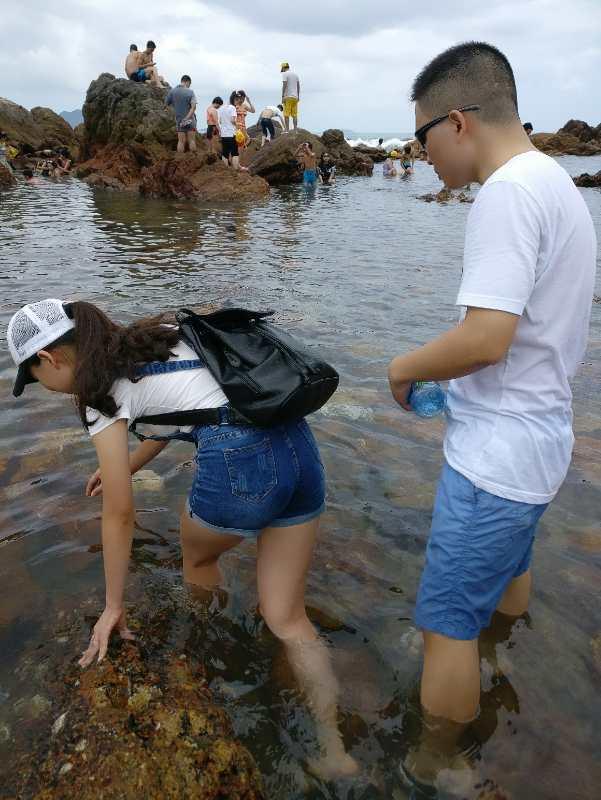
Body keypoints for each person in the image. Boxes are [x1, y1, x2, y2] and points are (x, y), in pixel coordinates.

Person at [6, 298, 358, 780]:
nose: (44, 389)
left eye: (35, 379)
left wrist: (112, 606)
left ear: (49, 359)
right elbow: (191, 408)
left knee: (197, 561)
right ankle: (334, 750)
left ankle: (205, 641)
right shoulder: (154, 336)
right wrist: (125, 465)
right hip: (297, 448)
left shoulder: (97, 394)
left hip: (243, 461)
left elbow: (120, 514)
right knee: (289, 618)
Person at [388, 41, 595, 784]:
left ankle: (436, 761)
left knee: (442, 623)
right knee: (511, 571)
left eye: (420, 139)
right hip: (541, 444)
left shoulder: (505, 194)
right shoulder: (557, 183)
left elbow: (486, 338)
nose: (421, 157)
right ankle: (497, 655)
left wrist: (402, 366)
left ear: (455, 121)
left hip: (495, 460)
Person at [166, 76, 197, 153]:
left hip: (179, 120)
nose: (189, 86)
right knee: (192, 140)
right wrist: (187, 118)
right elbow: (193, 108)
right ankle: (195, 160)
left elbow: (166, 105)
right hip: (190, 120)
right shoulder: (190, 92)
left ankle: (180, 160)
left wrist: (175, 111)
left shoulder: (172, 92)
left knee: (181, 142)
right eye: (189, 84)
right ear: (187, 82)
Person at [218, 97, 240, 170]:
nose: (238, 104)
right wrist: (237, 125)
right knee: (235, 153)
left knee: (225, 153)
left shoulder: (220, 109)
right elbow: (233, 120)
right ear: (234, 100)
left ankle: (226, 170)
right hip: (231, 133)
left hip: (224, 134)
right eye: (238, 101)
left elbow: (220, 121)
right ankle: (235, 169)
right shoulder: (232, 108)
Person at [281, 62, 300, 131]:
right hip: (295, 97)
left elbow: (284, 85)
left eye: (282, 69)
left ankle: (287, 130)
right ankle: (295, 130)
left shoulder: (285, 74)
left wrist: (283, 96)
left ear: (283, 68)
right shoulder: (295, 74)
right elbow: (298, 86)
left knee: (286, 114)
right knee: (294, 115)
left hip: (288, 97)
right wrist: (298, 96)